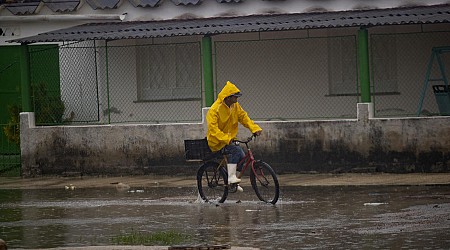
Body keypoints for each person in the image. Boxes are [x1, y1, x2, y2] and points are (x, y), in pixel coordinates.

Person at [206, 81, 262, 192]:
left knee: (241, 156)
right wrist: (226, 138)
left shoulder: (234, 106)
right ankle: (231, 178)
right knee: (235, 151)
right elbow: (213, 130)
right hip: (216, 142)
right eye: (235, 97)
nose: (237, 99)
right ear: (228, 97)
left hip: (229, 140)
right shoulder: (214, 110)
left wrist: (254, 128)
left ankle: (233, 181)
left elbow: (244, 117)